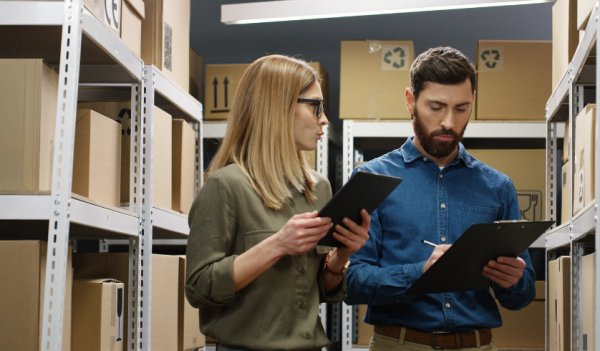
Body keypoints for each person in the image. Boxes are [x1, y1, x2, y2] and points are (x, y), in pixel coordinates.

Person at [345, 47, 536, 351]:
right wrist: (419, 274)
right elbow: (352, 282)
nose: (449, 121)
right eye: (436, 107)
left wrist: (514, 280)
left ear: (472, 102)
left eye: (461, 108)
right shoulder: (371, 179)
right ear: (410, 100)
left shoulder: (498, 187)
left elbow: (522, 297)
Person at [185, 54, 370, 351]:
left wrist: (340, 257)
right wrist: (278, 244)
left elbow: (316, 291)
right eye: (315, 106)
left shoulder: (318, 188)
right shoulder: (226, 186)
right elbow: (199, 288)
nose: (324, 119)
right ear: (278, 107)